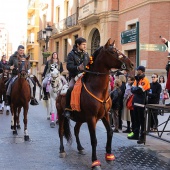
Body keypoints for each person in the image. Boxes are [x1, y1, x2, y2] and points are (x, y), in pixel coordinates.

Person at [64, 37, 89, 118]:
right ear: (78, 45)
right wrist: (78, 68)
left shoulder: (86, 54)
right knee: (70, 88)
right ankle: (67, 108)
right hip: (75, 76)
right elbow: (69, 66)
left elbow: (89, 64)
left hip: (85, 76)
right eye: (83, 44)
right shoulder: (71, 54)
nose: (85, 46)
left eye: (85, 44)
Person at [128, 65, 150, 144]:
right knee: (136, 120)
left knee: (142, 121)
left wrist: (136, 89)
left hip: (141, 103)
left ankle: (142, 137)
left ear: (142, 71)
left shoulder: (145, 80)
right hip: (135, 102)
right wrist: (136, 89)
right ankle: (136, 134)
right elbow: (133, 89)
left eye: (138, 70)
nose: (137, 71)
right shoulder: (136, 80)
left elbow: (141, 90)